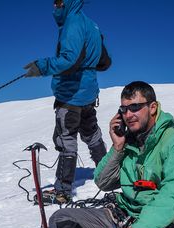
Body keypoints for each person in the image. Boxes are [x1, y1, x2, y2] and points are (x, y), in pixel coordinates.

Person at [48, 81, 174, 228]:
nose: (128, 115)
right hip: (125, 216)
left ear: (152, 107)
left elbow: (173, 196)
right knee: (61, 218)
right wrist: (118, 147)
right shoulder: (130, 141)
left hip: (165, 225)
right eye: (123, 109)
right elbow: (103, 182)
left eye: (135, 107)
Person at [23, 0, 110, 204]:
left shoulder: (73, 24)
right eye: (54, 3)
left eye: (59, 2)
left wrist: (41, 66)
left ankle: (62, 191)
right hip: (88, 93)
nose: (55, 6)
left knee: (66, 139)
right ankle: (108, 175)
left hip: (71, 95)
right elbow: (105, 62)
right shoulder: (91, 25)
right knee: (91, 134)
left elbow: (69, 60)